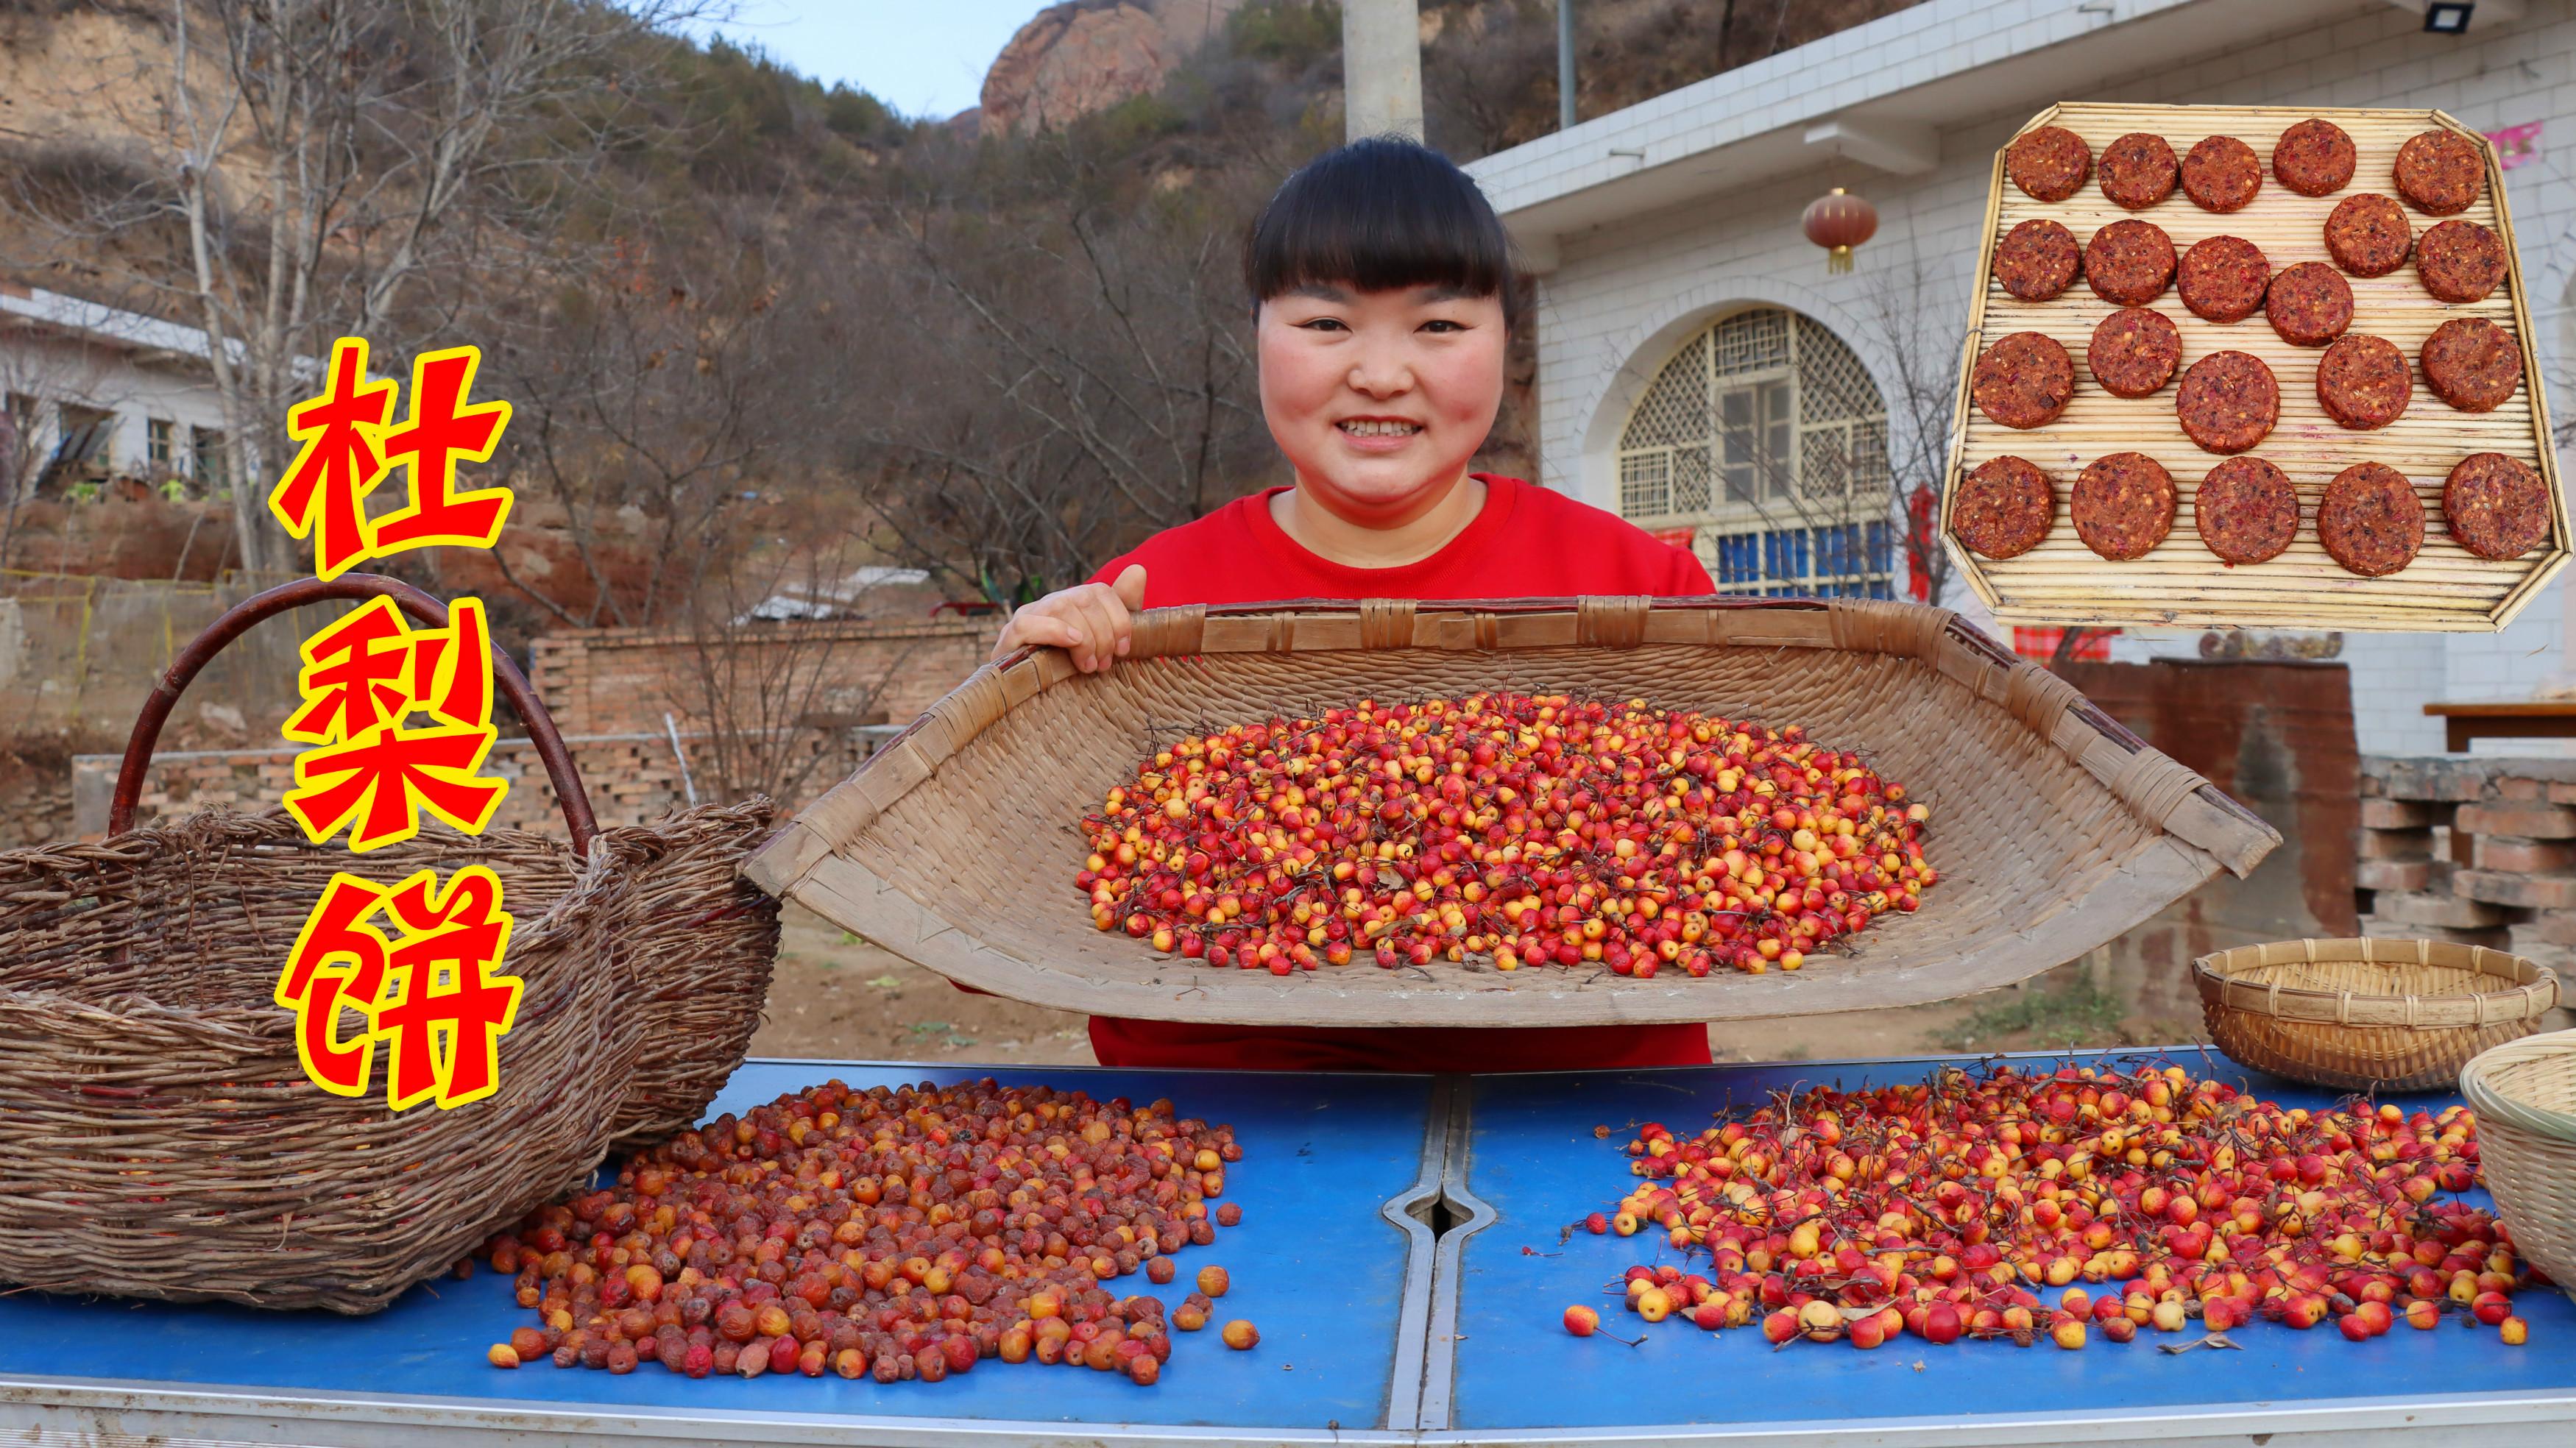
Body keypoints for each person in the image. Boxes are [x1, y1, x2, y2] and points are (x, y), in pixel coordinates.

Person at [993, 137, 1716, 1073]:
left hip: (1594, 1135)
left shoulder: (1635, 586)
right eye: (1327, 324)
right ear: (1254, 332)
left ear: (1507, 342)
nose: (1380, 374)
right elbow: (990, 928)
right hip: (1230, 1163)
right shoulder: (1141, 607)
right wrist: (1009, 706)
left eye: (1439, 326)